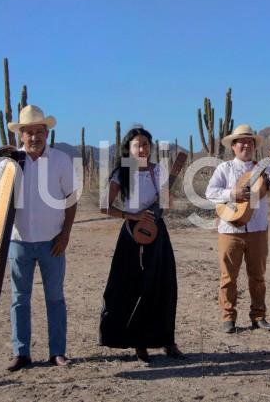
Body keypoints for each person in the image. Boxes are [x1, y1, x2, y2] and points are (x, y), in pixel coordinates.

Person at [0, 105, 78, 371]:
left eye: (39, 131)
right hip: (18, 241)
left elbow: (71, 200)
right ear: (20, 135)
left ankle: (57, 352)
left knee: (54, 297)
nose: (34, 137)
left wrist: (65, 235)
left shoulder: (60, 160)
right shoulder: (10, 162)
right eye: (28, 132)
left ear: (47, 133)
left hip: (52, 241)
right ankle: (21, 353)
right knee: (20, 298)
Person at [98, 126, 185, 362]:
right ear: (129, 148)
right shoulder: (122, 173)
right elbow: (104, 206)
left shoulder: (159, 171)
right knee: (135, 288)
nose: (142, 148)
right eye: (137, 145)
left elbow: (167, 204)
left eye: (146, 144)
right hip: (131, 236)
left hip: (158, 234)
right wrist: (131, 215)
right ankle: (139, 344)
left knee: (164, 286)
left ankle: (167, 341)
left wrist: (167, 199)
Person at [206, 124, 270, 333]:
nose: (245, 145)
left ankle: (258, 316)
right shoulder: (225, 169)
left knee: (258, 276)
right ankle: (228, 317)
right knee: (228, 277)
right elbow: (210, 192)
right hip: (230, 230)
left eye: (249, 141)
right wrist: (232, 194)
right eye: (241, 141)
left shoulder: (265, 167)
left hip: (258, 229)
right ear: (233, 146)